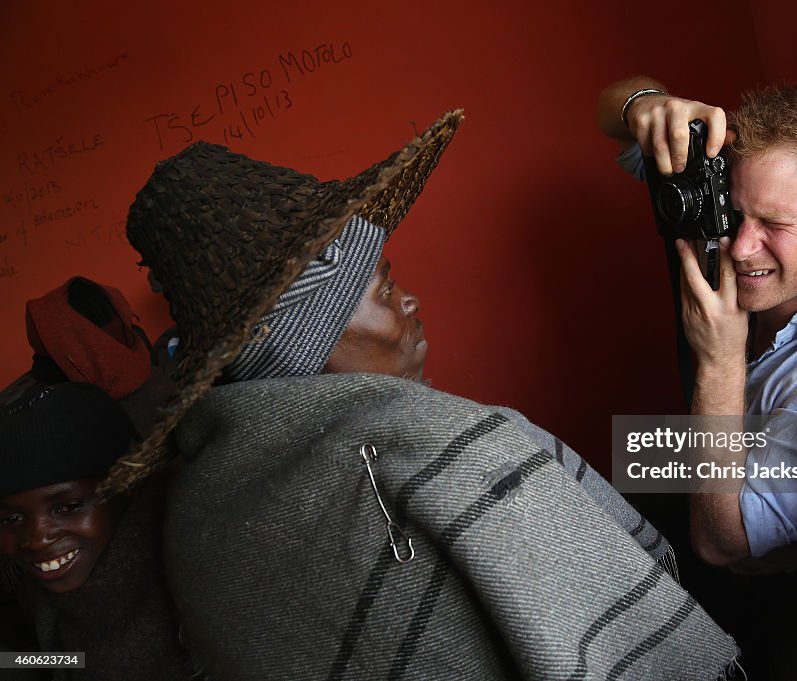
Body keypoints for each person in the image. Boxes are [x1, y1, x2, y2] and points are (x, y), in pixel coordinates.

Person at [98, 111, 741, 680]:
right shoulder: (447, 447)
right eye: (381, 288)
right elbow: (715, 553)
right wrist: (719, 363)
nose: (410, 301)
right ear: (298, 340)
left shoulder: (193, 513)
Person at [598, 77, 797, 679]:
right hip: (689, 489)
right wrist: (651, 108)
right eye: (736, 213)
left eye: (774, 222)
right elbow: (611, 108)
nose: (741, 248)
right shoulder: (735, 232)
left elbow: (724, 545)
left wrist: (718, 362)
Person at [0, 381, 195, 680]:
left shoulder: (189, 580)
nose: (37, 539)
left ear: (128, 488)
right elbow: (72, 661)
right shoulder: (38, 595)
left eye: (69, 507)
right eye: (10, 519)